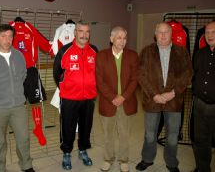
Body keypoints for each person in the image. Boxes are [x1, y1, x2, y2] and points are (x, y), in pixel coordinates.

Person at [136, 22, 193, 172]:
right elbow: (141, 75)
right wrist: (154, 95)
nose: (162, 35)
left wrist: (173, 93)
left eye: (166, 32)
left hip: (174, 101)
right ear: (155, 34)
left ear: (171, 34)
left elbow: (187, 75)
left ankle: (172, 162)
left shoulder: (182, 52)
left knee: (173, 135)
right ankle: (147, 159)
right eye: (159, 32)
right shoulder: (146, 52)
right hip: (152, 100)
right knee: (149, 134)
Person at [0, 24, 35, 172]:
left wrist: (16, 92)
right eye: (3, 36)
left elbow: (23, 74)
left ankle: (26, 165)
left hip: (18, 105)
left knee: (23, 138)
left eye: (10, 36)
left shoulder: (18, 55)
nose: (7, 40)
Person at [53, 21, 98, 170]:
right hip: (69, 98)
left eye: (87, 32)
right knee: (68, 127)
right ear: (75, 33)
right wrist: (67, 88)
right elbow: (57, 73)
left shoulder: (94, 50)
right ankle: (66, 152)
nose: (84, 35)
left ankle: (83, 150)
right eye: (81, 31)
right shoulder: (64, 50)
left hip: (88, 98)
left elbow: (98, 73)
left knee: (86, 126)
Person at [96, 26, 139, 172]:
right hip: (108, 102)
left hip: (127, 103)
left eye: (125, 38)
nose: (122, 41)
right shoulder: (102, 55)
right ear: (111, 39)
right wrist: (113, 97)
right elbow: (99, 81)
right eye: (119, 37)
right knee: (108, 134)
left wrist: (123, 97)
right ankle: (108, 159)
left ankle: (123, 160)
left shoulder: (133, 55)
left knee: (124, 134)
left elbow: (135, 79)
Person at [192, 21, 215, 172]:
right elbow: (195, 75)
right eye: (207, 32)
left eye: (214, 32)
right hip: (199, 105)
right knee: (200, 141)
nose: (209, 35)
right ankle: (202, 168)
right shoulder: (200, 53)